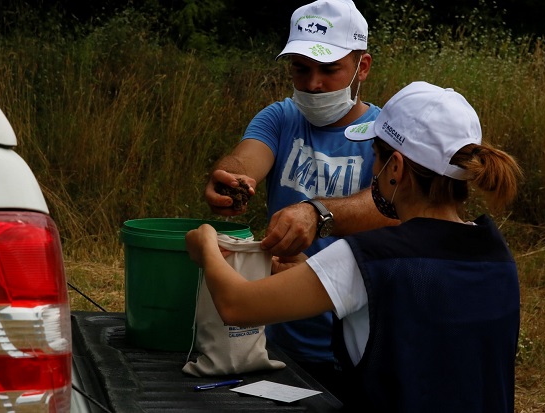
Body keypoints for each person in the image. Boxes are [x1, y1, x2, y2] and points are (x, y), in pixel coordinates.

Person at [188, 81, 523, 411]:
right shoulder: (497, 255)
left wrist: (206, 246)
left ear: (395, 168)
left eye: (374, 158)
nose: (373, 172)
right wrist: (315, 274)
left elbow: (236, 307)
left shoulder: (368, 258)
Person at [204, 0, 397, 391]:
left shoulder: (384, 133)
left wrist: (317, 213)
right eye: (300, 69)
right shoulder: (280, 117)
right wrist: (233, 180)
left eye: (329, 70)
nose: (312, 84)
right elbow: (247, 157)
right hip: (275, 338)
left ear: (362, 67)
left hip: (352, 346)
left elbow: (390, 208)